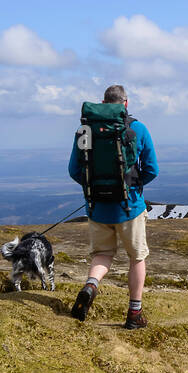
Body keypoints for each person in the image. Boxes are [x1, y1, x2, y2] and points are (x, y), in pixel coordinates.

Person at [68, 84, 159, 329]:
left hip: (97, 207)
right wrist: (133, 187)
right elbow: (152, 169)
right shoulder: (137, 128)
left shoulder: (85, 129)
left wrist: (95, 189)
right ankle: (134, 314)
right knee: (137, 258)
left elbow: (74, 170)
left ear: (103, 103)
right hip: (130, 207)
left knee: (103, 254)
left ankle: (91, 285)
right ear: (125, 104)